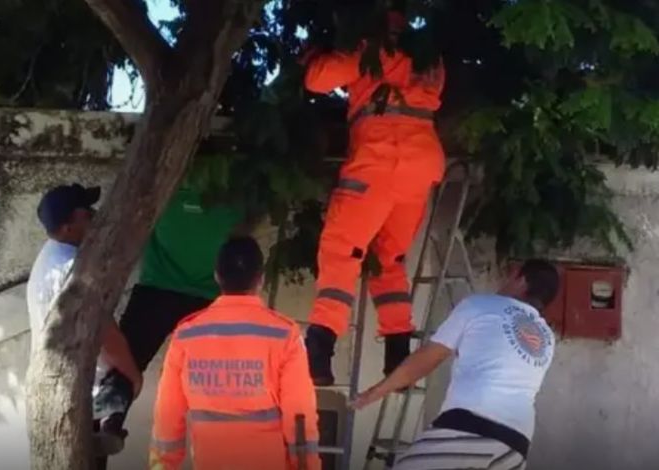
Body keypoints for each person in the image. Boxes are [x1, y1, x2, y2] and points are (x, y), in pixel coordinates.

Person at [301, 8, 447, 385]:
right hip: (421, 164)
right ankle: (399, 354)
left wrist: (315, 56)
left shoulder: (370, 49)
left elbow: (319, 80)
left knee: (342, 251)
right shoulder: (430, 54)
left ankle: (319, 350)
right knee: (389, 257)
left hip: (380, 160)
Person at [351, 259, 560, 470]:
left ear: (521, 281)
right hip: (516, 444)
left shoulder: (480, 305)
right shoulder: (547, 337)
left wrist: (375, 392)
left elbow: (426, 359)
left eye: (510, 276)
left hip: (471, 426)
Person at [92, 184, 253, 441]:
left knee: (128, 360)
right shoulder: (233, 198)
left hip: (156, 289)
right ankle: (226, 440)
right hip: (206, 298)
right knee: (219, 377)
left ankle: (109, 420)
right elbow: (242, 238)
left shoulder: (163, 190)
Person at [149, 236, 321, 470]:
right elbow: (300, 414)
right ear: (260, 280)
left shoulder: (187, 336)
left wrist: (162, 465)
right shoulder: (284, 335)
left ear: (217, 276)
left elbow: (167, 415)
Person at [25, 183, 143, 460]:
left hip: (59, 389)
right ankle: (109, 422)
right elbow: (105, 335)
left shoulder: (50, 255)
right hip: (83, 393)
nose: (94, 215)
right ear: (67, 227)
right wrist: (133, 377)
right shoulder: (72, 269)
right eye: (86, 214)